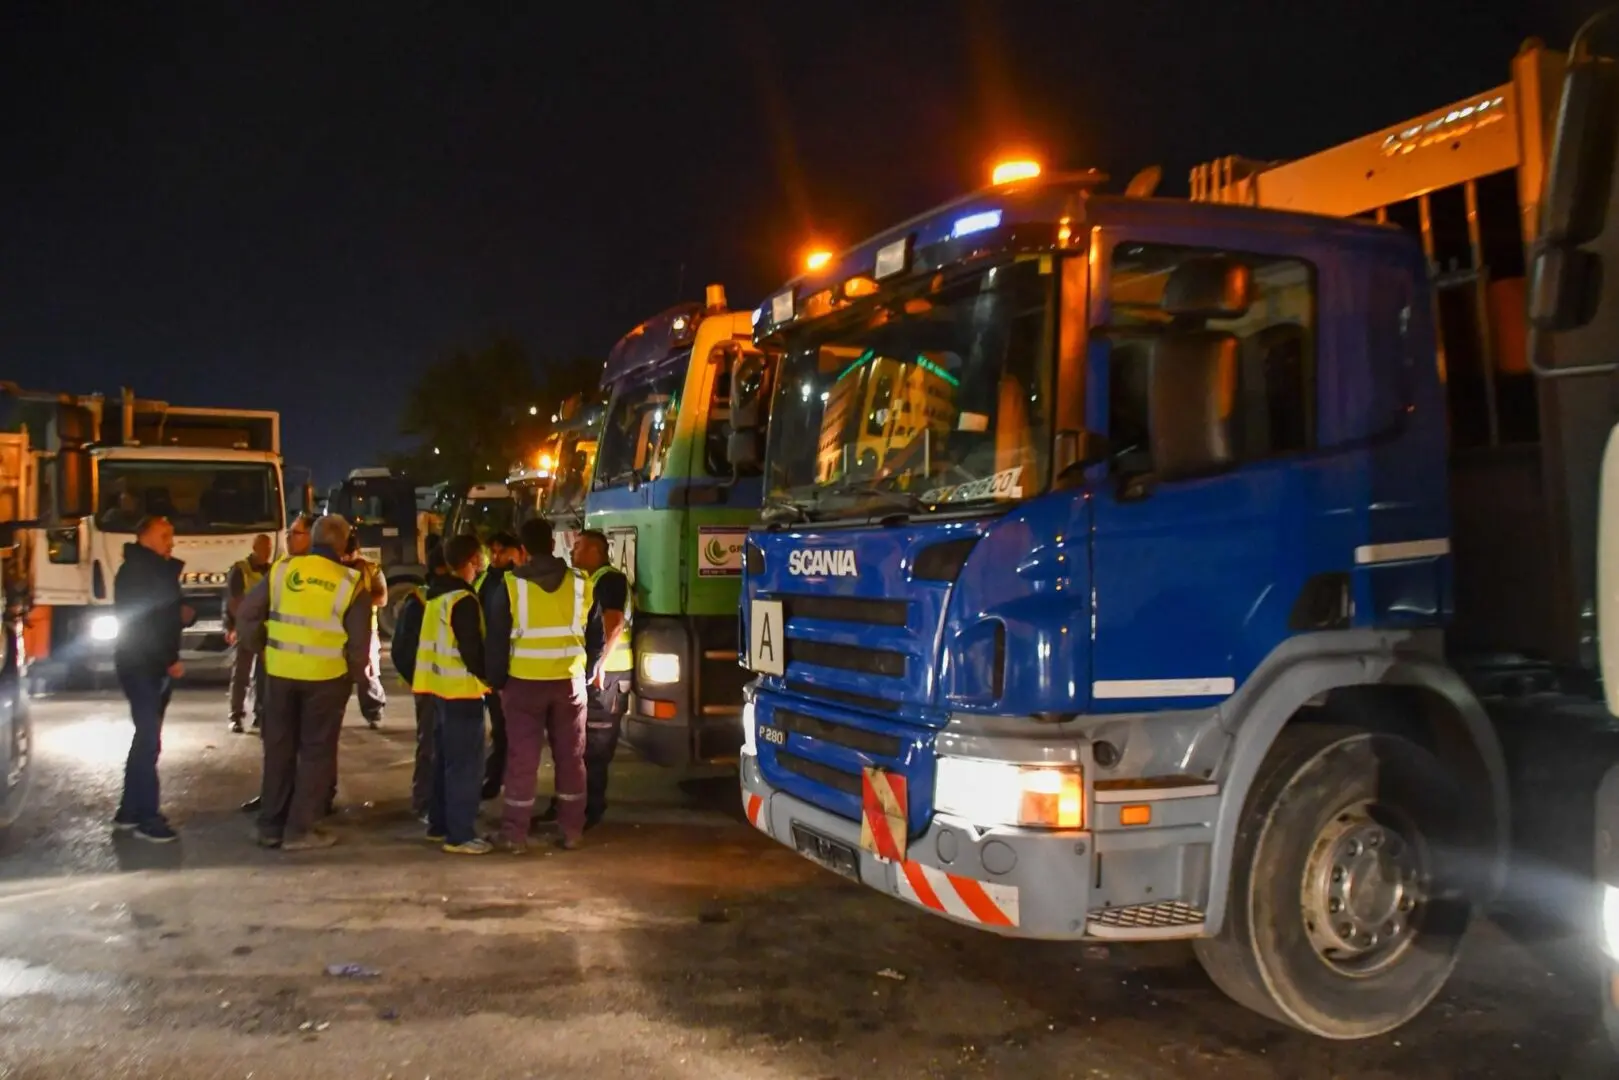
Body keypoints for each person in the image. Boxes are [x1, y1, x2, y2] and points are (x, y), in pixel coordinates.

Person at [235, 514, 371, 851]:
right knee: (315, 753)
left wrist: (263, 649)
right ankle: (300, 830)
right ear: (344, 543)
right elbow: (359, 645)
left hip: (280, 674)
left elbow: (247, 614)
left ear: (312, 538)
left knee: (278, 749)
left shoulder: (283, 570)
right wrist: (354, 681)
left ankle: (270, 826)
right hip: (326, 679)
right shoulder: (352, 583)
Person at [485, 518, 592, 852]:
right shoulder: (579, 583)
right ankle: (572, 829)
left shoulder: (511, 585)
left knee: (522, 759)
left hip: (524, 684)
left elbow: (498, 639)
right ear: (553, 543)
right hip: (568, 683)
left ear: (525, 549)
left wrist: (497, 682)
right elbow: (597, 631)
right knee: (572, 756)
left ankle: (515, 835)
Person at [537, 529, 630, 830]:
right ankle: (568, 804)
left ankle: (590, 810)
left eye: (577, 547)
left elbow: (613, 624)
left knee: (595, 748)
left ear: (593, 552)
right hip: (590, 673)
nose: (573, 553)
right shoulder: (587, 582)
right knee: (576, 744)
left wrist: (599, 665)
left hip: (607, 677)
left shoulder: (610, 580)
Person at [111, 515, 187, 843]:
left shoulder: (147, 569)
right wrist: (168, 660)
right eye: (164, 535)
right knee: (149, 740)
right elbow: (148, 625)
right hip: (144, 666)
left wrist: (186, 614)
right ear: (145, 537)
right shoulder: (142, 573)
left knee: (145, 738)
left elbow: (165, 615)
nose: (171, 541)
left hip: (142, 664)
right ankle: (147, 818)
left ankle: (129, 811)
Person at [412, 534, 489, 854]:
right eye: (479, 557)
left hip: (439, 690)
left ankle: (439, 825)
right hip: (463, 692)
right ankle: (460, 835)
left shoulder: (436, 596)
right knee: (465, 766)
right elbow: (472, 651)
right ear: (470, 560)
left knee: (445, 761)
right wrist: (492, 677)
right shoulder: (463, 600)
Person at [391, 546, 450, 823]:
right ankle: (427, 802)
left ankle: (430, 801)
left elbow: (400, 650)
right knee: (434, 745)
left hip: (432, 684)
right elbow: (403, 650)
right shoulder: (426, 601)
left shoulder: (418, 600)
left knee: (432, 744)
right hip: (439, 686)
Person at [476, 531, 522, 800]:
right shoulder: (485, 579)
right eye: (492, 551)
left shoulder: (519, 580)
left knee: (507, 729)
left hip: (513, 666)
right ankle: (495, 776)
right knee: (498, 727)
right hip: (489, 664)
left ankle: (498, 779)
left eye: (502, 551)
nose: (496, 557)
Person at [224, 533, 273, 734]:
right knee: (242, 674)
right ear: (254, 547)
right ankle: (236, 716)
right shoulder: (240, 570)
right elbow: (232, 601)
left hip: (264, 628)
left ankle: (260, 715)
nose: (267, 552)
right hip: (246, 628)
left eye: (269, 548)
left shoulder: (272, 570)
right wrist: (232, 626)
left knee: (263, 675)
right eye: (264, 548)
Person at [343, 531, 388, 729]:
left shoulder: (371, 569)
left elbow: (383, 598)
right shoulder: (333, 567)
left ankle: (374, 711)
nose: (345, 557)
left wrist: (359, 602)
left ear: (357, 551)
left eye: (349, 553)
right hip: (336, 628)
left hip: (366, 630)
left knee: (367, 672)